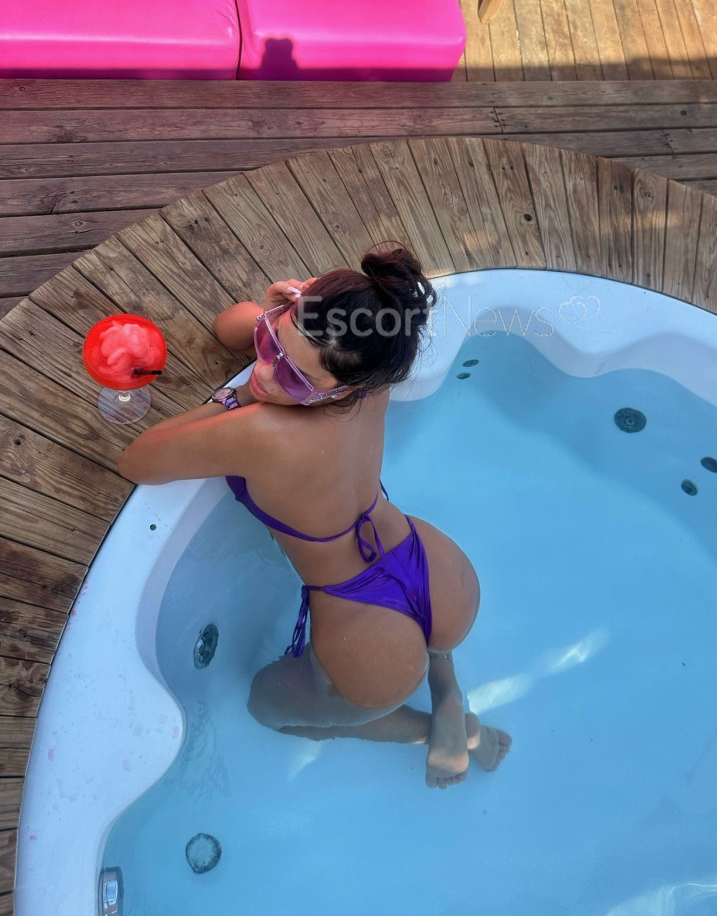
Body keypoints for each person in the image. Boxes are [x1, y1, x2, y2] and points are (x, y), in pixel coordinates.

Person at [118, 243, 511, 789]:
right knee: (432, 640)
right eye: (270, 341)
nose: (265, 373)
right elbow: (230, 326)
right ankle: (448, 692)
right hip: (436, 572)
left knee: (266, 707)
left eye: (295, 379)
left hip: (368, 638)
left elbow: (138, 460)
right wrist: (274, 315)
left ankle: (436, 731)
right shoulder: (373, 367)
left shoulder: (261, 432)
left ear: (344, 386)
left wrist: (234, 402)